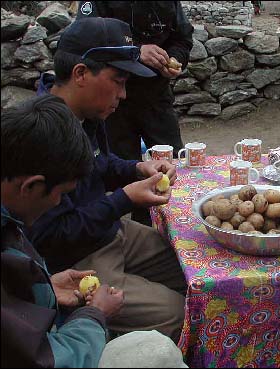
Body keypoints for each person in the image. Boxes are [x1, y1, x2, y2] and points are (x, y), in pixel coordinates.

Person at [28, 17, 187, 342]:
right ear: (81, 74)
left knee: (192, 268)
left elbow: (100, 164)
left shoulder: (87, 114)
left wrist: (134, 169)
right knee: (178, 313)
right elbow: (53, 235)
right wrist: (125, 199)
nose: (124, 94)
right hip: (80, 259)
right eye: (118, 81)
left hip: (112, 231)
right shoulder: (42, 135)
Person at [1, 94, 122, 367]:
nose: (58, 203)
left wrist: (42, 289)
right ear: (30, 186)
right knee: (157, 351)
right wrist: (94, 315)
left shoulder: (9, 219)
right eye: (61, 194)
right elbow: (43, 360)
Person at [76, 1, 194, 226]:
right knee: (122, 167)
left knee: (172, 165)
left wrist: (172, 58)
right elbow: (85, 41)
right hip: (112, 100)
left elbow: (182, 38)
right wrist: (136, 51)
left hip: (156, 96)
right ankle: (142, 228)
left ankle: (178, 228)